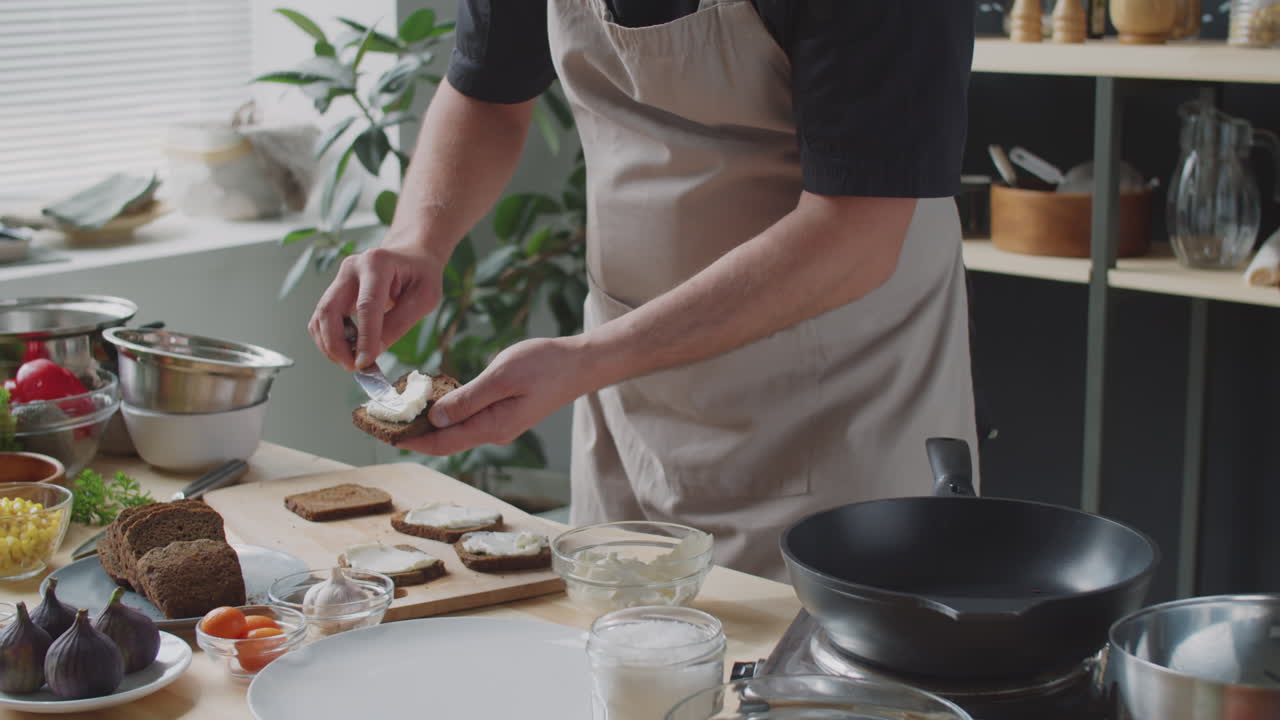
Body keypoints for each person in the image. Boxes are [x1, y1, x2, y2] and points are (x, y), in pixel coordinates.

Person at [310, 0, 979, 581]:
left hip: (834, 392)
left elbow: (856, 234)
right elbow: (488, 88)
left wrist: (594, 358)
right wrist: (418, 238)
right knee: (620, 653)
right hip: (623, 378)